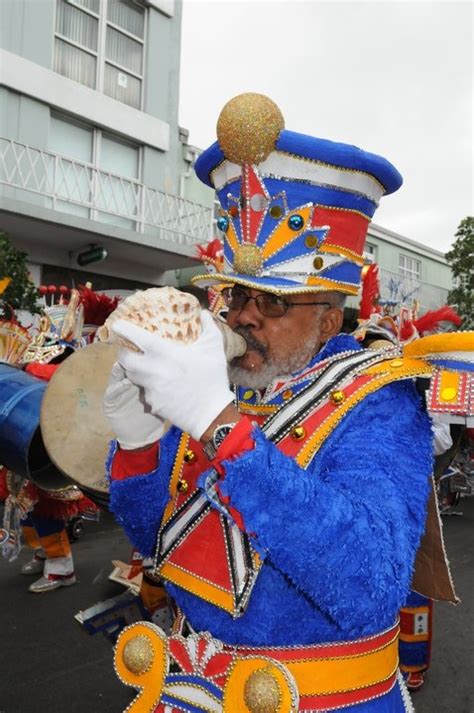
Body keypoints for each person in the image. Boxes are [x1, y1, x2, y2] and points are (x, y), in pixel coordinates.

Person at [104, 94, 466, 712]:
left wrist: (222, 428)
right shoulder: (225, 383)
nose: (243, 316)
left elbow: (369, 586)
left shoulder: (382, 399)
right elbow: (160, 542)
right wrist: (138, 447)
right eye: (237, 293)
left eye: (272, 302)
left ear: (329, 319)